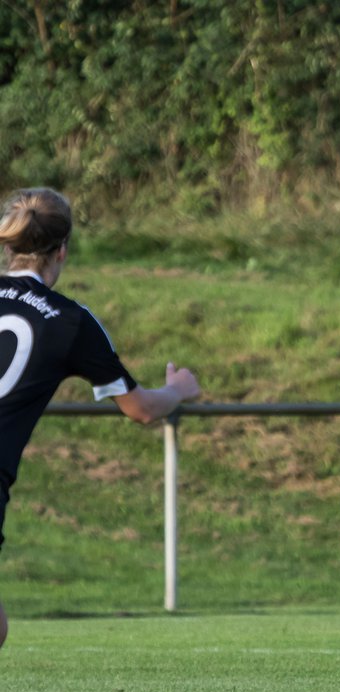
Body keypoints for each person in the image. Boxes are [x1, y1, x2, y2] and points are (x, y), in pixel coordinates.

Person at [0, 187, 201, 650]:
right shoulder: (70, 322)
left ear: (10, 247)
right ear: (63, 250)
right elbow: (141, 409)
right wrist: (179, 389)